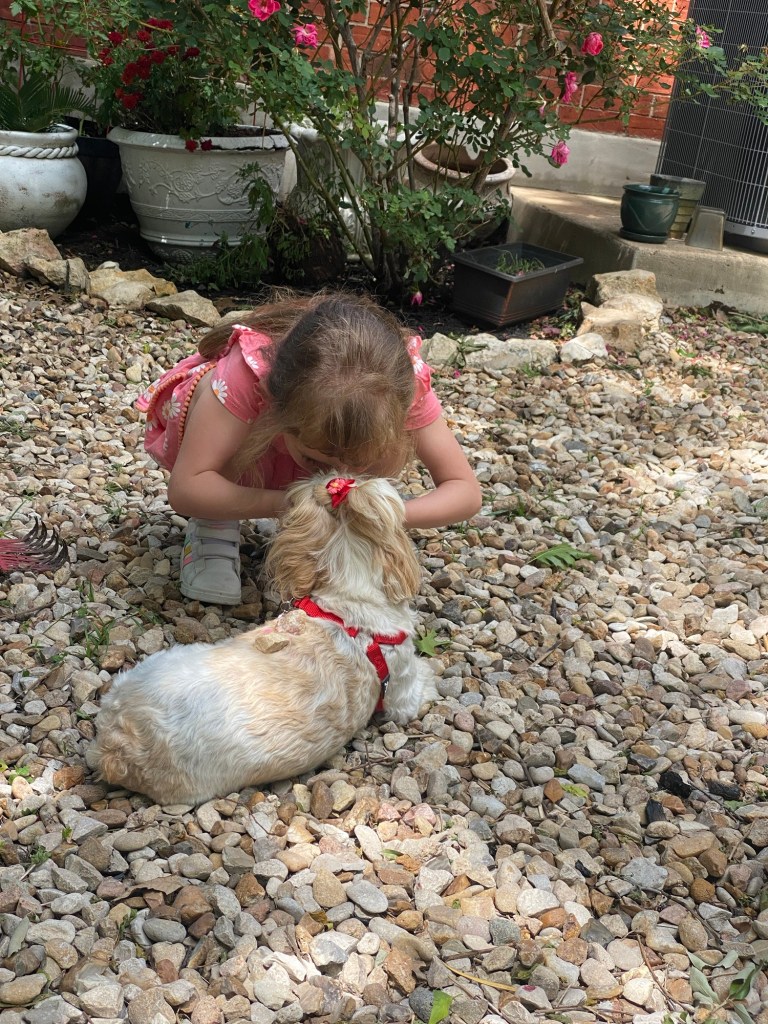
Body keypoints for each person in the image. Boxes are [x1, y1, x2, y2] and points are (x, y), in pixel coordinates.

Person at [136, 291, 482, 605]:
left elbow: (465, 491)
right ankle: (215, 525)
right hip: (248, 452)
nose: (336, 475)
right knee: (220, 422)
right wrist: (292, 503)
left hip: (297, 440)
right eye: (316, 461)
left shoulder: (399, 387)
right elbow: (188, 488)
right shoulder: (249, 377)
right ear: (277, 406)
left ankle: (331, 536)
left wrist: (380, 512)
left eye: (358, 464)